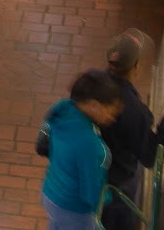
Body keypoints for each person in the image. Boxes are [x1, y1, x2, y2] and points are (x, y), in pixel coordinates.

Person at [99, 32, 164, 230]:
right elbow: (151, 156)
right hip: (117, 186)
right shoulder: (132, 110)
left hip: (96, 176)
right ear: (136, 66)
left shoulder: (94, 82)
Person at [41, 70, 125, 230]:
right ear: (94, 105)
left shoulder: (62, 111)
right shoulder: (89, 144)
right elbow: (91, 193)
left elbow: (43, 146)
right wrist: (106, 197)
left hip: (51, 193)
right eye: (110, 111)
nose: (112, 117)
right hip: (73, 208)